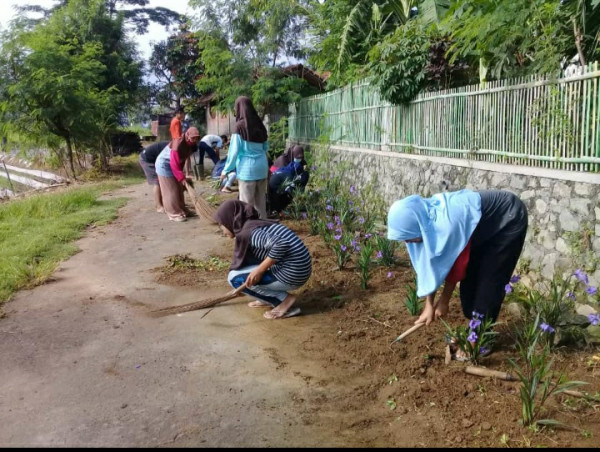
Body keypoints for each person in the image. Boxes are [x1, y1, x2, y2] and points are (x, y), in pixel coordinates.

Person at [387, 189, 528, 358]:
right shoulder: (425, 222)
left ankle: (480, 339)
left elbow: (457, 265)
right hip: (479, 230)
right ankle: (474, 330)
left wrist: (444, 301)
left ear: (415, 225)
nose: (407, 242)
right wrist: (429, 304)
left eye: (408, 237)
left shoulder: (447, 224)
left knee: (489, 281)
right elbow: (429, 263)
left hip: (508, 218)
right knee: (470, 288)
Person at [214, 199, 312, 319]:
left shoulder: (252, 233)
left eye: (221, 224)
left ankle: (284, 301)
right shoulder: (253, 224)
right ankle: (266, 298)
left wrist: (260, 270)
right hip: (297, 267)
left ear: (230, 219)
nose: (222, 230)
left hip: (293, 273)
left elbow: (281, 244)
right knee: (242, 273)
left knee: (235, 279)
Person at [220, 96, 269, 219]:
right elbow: (265, 148)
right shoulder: (260, 125)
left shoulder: (239, 127)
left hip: (247, 170)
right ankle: (263, 228)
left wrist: (225, 170)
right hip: (262, 168)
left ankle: (248, 231)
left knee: (247, 205)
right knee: (261, 204)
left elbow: (234, 152)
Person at [155, 127, 201, 222]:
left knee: (179, 188)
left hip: (174, 165)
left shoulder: (192, 145)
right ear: (187, 135)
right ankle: (174, 214)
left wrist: (182, 175)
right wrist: (181, 177)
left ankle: (182, 209)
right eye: (193, 138)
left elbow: (183, 159)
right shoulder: (178, 143)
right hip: (164, 164)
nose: (195, 140)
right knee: (171, 190)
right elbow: (174, 162)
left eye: (197, 138)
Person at [268, 148, 310, 215]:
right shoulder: (288, 171)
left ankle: (277, 208)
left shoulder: (289, 166)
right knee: (290, 191)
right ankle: (279, 209)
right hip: (273, 191)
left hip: (271, 186)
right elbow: (290, 190)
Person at [138, 140, 169, 213]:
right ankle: (159, 206)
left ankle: (164, 203)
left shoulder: (174, 146)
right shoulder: (171, 149)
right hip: (147, 159)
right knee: (157, 182)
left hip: (155, 159)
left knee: (162, 180)